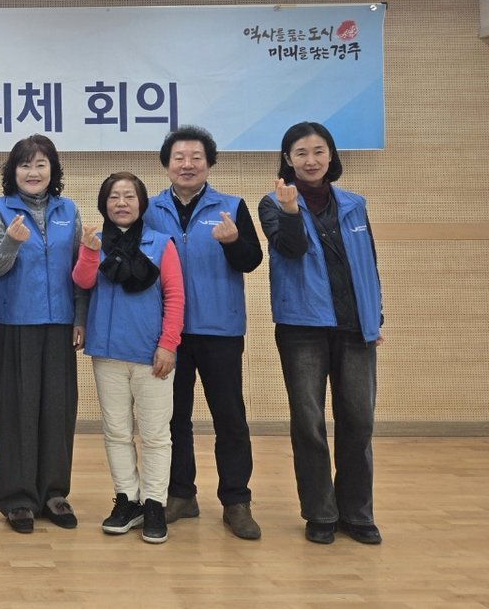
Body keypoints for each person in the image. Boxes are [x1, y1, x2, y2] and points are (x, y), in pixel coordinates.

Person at [258, 121, 384, 545]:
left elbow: (367, 264)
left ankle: (358, 513)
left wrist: (375, 317)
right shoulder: (273, 203)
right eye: (301, 153)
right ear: (287, 160)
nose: (310, 160)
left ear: (331, 155)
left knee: (359, 421)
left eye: (318, 151)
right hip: (303, 328)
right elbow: (290, 250)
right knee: (309, 423)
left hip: (355, 327)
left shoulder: (354, 204)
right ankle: (320, 512)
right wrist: (291, 212)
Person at [144, 125, 264, 540]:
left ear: (209, 163)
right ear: (166, 164)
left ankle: (236, 501)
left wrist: (233, 242)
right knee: (173, 417)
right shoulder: (149, 209)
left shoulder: (232, 206)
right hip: (169, 332)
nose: (187, 164)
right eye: (179, 157)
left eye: (196, 157)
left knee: (229, 417)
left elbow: (252, 260)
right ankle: (181, 494)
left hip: (220, 329)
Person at [0, 135, 86, 534]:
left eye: (41, 164)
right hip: (16, 324)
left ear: (52, 170)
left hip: (59, 324)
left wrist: (80, 317)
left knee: (58, 410)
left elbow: (79, 270)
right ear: (13, 172)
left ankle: (55, 494)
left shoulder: (68, 210)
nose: (33, 172)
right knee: (16, 412)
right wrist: (11, 241)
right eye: (25, 165)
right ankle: (18, 499)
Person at [73, 172, 184, 544]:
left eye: (129, 196)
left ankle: (154, 503)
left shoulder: (161, 243)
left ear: (141, 203)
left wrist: (168, 344)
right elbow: (83, 281)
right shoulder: (94, 241)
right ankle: (127, 499)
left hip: (151, 355)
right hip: (107, 354)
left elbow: (175, 296)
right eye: (114, 197)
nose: (121, 203)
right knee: (117, 432)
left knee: (155, 435)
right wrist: (89, 252)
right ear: (104, 203)